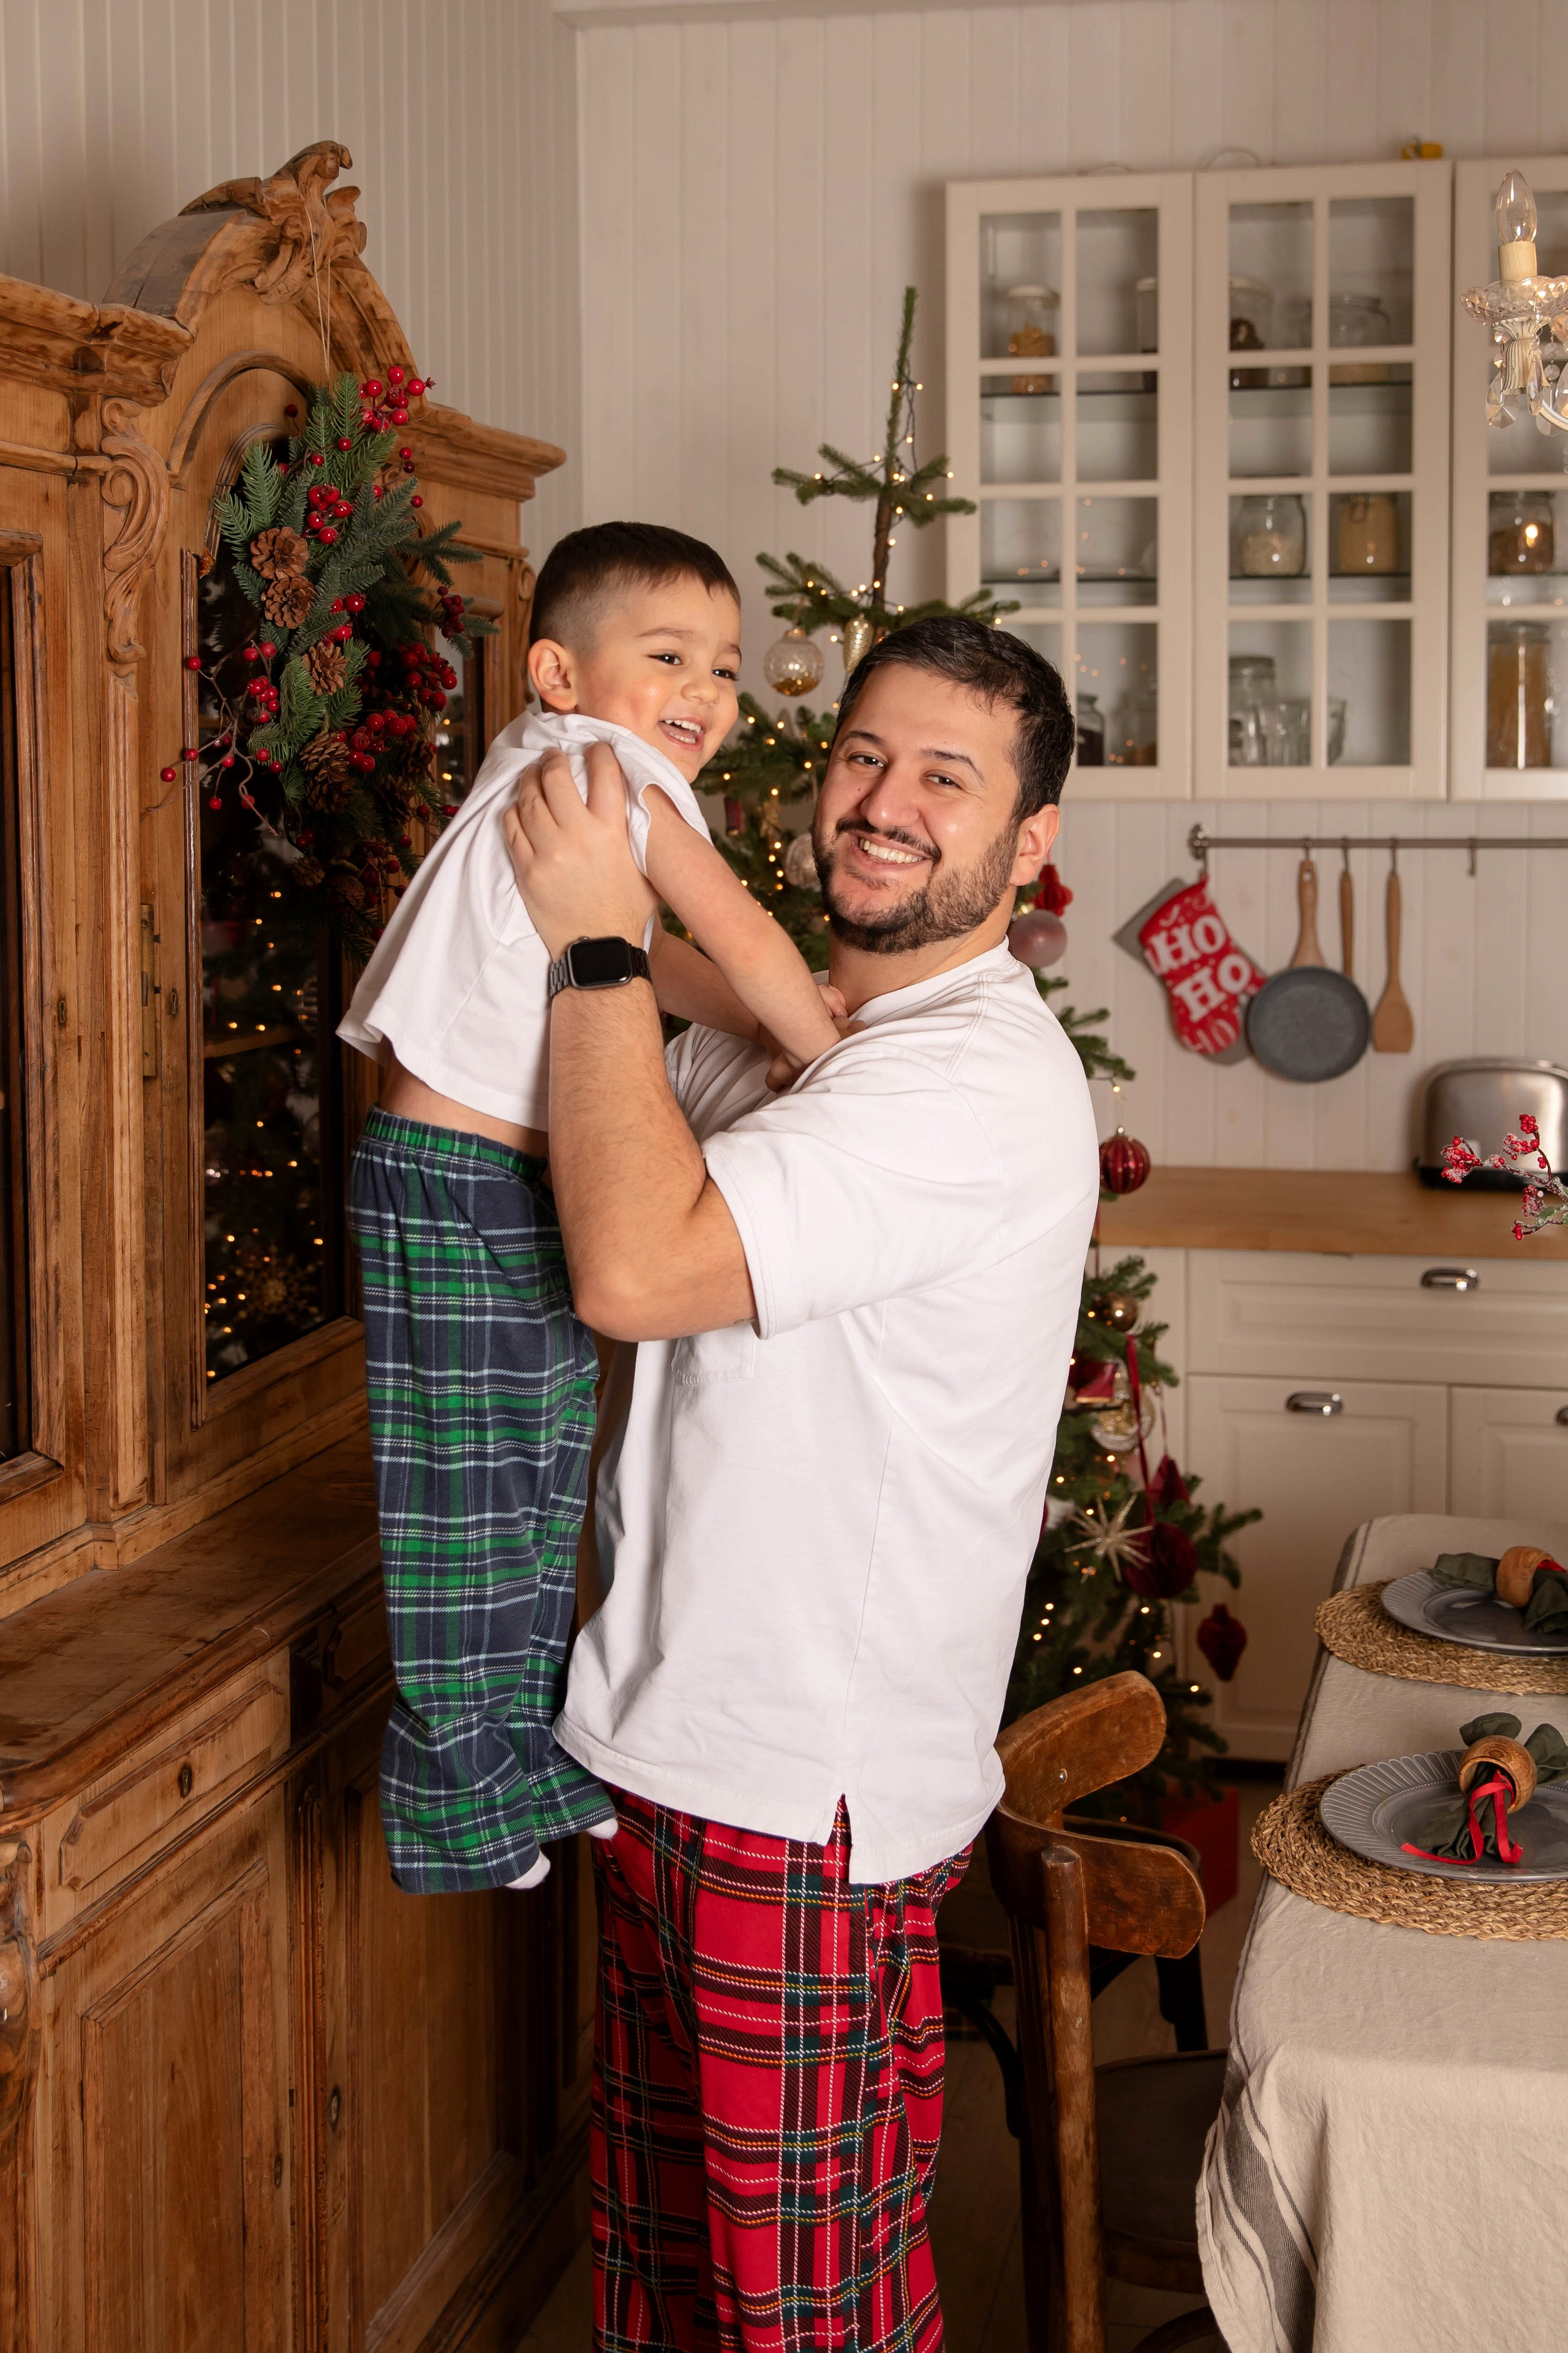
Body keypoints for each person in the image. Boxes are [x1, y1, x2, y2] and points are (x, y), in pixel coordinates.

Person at [503, 614, 1099, 2353]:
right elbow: (702, 1052)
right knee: (676, 2297)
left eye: (945, 777)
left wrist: (602, 947)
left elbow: (630, 1265)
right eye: (861, 756)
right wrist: (647, 929)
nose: (884, 803)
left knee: (800, 2324)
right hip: (686, 1763)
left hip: (797, 1806)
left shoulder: (968, 1082)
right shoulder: (845, 1051)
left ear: (1029, 844)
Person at [337, 523, 842, 1895]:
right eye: (667, 656)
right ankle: (461, 1789)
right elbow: (727, 927)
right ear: (560, 670)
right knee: (475, 1489)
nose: (707, 692)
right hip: (460, 1180)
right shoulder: (604, 767)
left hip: (495, 1180)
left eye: (728, 669)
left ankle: (513, 1747)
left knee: (540, 1466)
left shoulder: (570, 774)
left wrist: (777, 1021)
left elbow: (660, 960)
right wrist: (834, 1046)